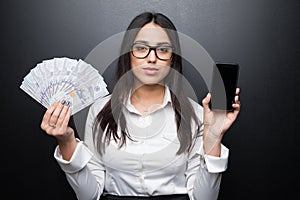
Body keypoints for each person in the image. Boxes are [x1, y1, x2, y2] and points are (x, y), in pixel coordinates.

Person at [40, 12, 241, 200]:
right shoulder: (100, 111)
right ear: (128, 53)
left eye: (163, 50)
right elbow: (89, 195)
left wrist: (213, 135)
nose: (152, 58)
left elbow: (204, 197)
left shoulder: (196, 115)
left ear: (172, 59)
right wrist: (66, 142)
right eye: (141, 48)